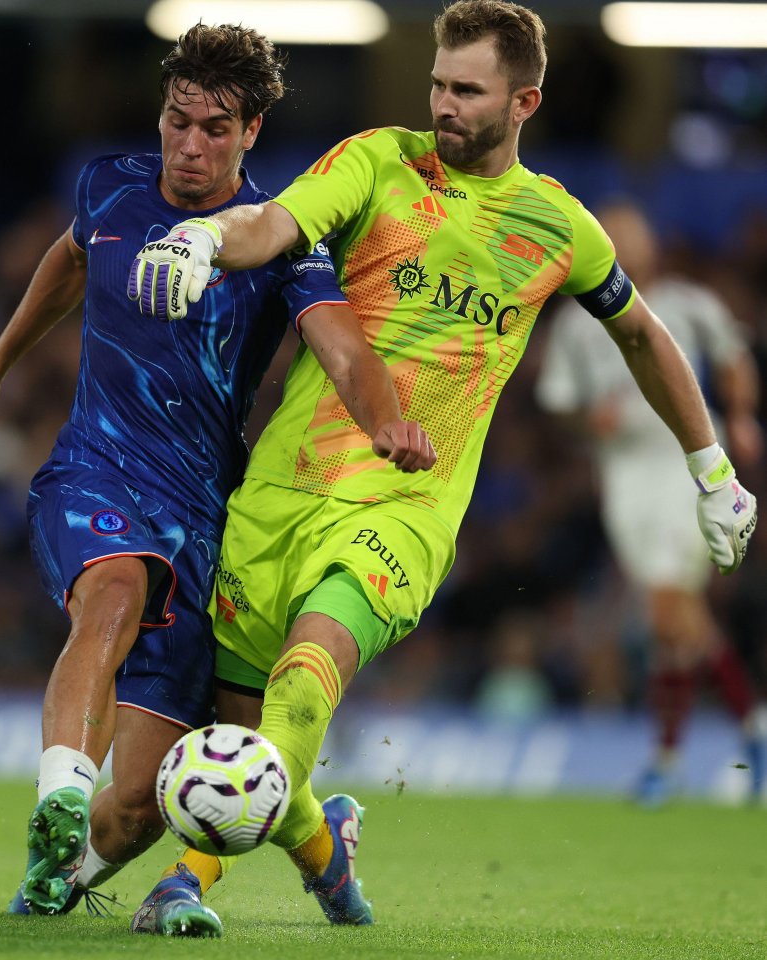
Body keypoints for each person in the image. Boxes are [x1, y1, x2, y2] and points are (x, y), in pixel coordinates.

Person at [127, 0, 757, 935]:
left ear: (524, 101)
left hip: (406, 505)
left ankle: (184, 881)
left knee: (313, 669)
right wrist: (203, 239)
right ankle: (327, 855)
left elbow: (644, 336)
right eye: (438, 84)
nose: (445, 104)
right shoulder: (376, 159)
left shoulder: (557, 228)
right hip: (282, 491)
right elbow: (272, 225)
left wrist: (713, 469)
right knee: (253, 738)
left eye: (468, 90)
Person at [0, 23, 434, 932]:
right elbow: (73, 256)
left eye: (215, 129)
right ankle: (57, 794)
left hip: (206, 516)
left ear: (250, 135)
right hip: (95, 470)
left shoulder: (279, 240)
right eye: (178, 122)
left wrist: (387, 421)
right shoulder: (108, 185)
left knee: (139, 806)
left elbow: (344, 346)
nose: (190, 146)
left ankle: (77, 869)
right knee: (113, 596)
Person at [535, 199, 766, 806]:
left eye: (633, 236)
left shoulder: (688, 305)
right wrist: (590, 420)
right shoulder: (575, 325)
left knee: (668, 609)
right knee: (677, 620)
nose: (626, 246)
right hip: (624, 475)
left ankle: (675, 757)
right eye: (614, 237)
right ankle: (731, 733)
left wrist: (740, 417)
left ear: (652, 245)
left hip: (684, 462)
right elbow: (558, 404)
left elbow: (734, 360)